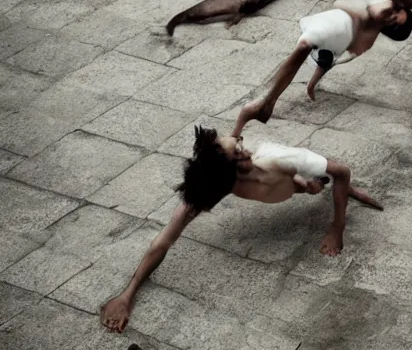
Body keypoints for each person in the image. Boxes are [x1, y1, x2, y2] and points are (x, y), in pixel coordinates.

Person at [100, 127, 383, 332]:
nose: (243, 146)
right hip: (284, 183)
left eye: (239, 142)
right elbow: (162, 243)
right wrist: (127, 294)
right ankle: (327, 188)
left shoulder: (278, 158)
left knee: (320, 182)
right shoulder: (218, 185)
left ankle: (335, 191)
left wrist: (336, 227)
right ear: (229, 172)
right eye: (237, 148)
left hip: (297, 176)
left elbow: (343, 170)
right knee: (310, 185)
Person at [232, 0, 412, 136]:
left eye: (394, 22)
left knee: (308, 49)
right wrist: (360, 16)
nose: (391, 17)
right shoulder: (376, 4)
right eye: (396, 13)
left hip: (337, 37)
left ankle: (267, 103)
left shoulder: (370, 36)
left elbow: (334, 60)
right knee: (303, 46)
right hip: (331, 24)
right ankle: (267, 102)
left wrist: (312, 83)